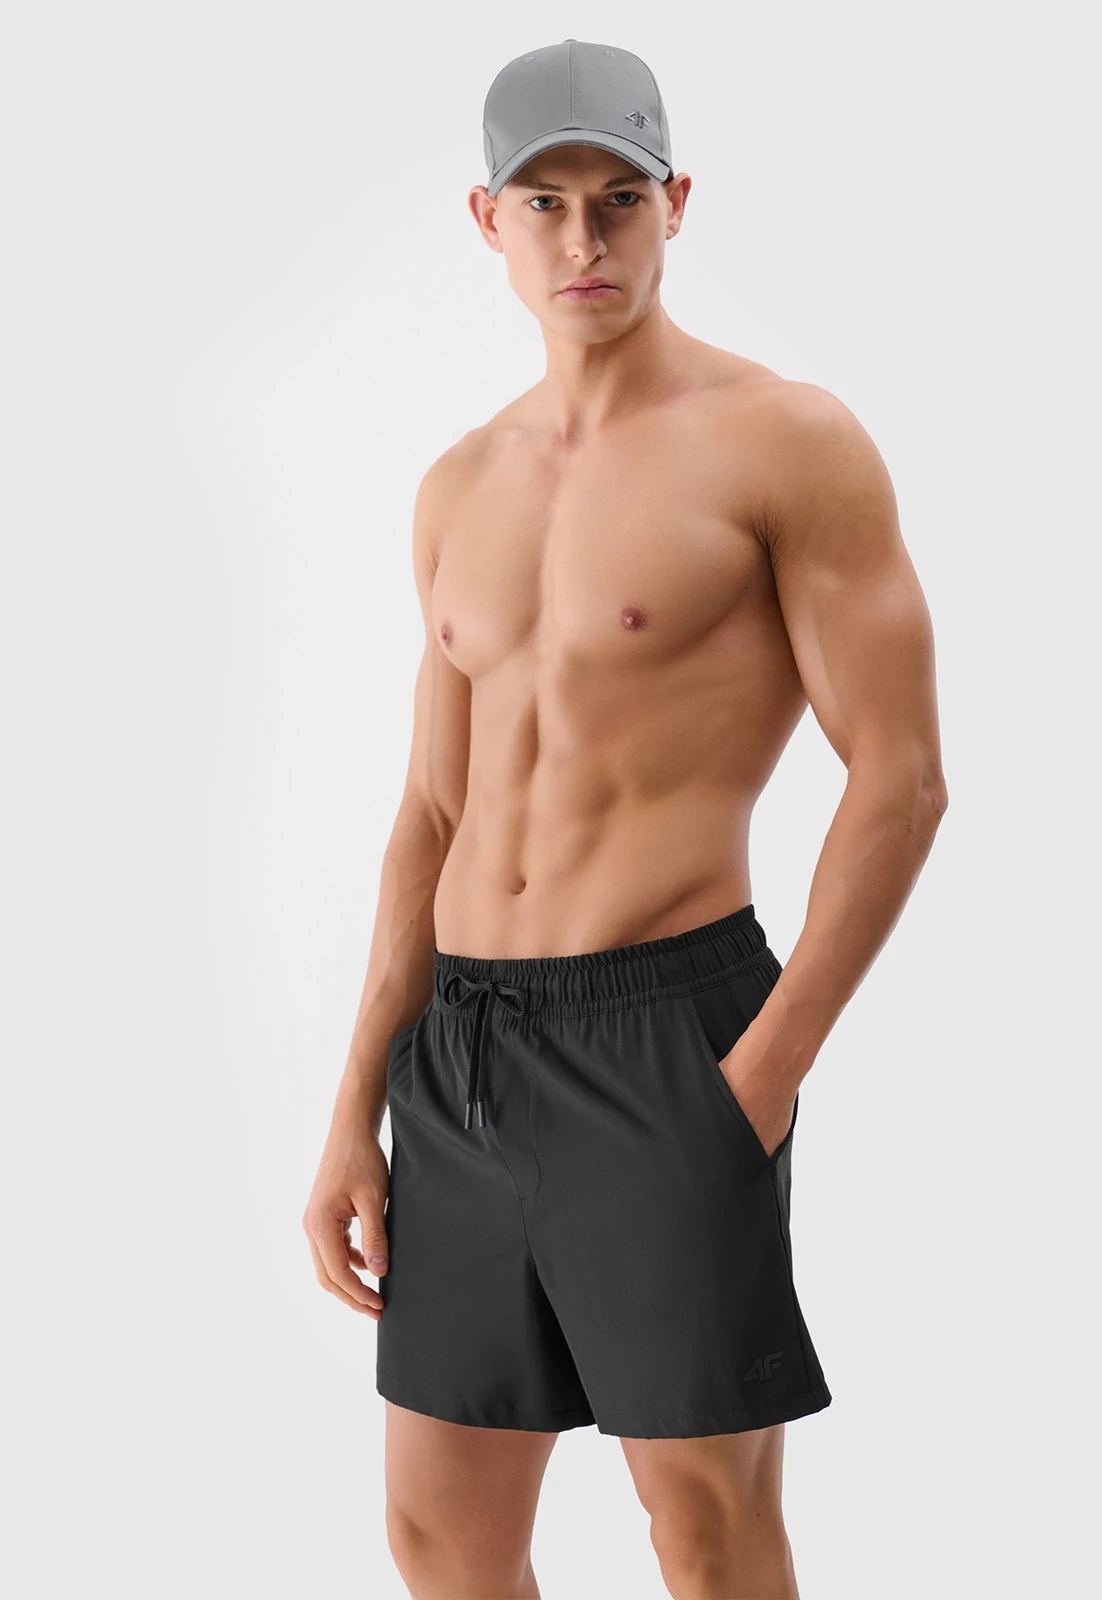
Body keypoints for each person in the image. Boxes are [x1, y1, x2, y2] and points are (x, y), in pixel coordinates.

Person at [303, 36, 948, 1600]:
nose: (582, 237)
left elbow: (901, 773)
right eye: (545, 202)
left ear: (676, 206)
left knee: (703, 1531)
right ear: (488, 219)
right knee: (439, 1533)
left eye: (618, 199)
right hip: (461, 1053)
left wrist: (762, 1078)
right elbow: (432, 812)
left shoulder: (784, 441)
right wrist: (354, 1106)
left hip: (669, 1035)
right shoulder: (458, 485)